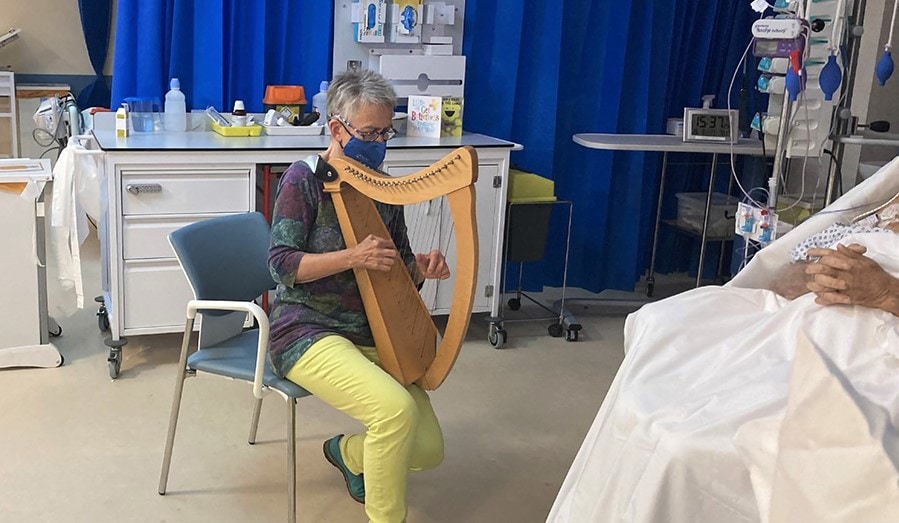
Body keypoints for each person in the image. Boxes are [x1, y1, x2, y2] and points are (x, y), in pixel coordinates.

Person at [547, 195, 899, 522]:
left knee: (687, 447)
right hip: (791, 322)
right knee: (658, 353)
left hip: (866, 349)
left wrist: (884, 291)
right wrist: (820, 273)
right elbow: (785, 273)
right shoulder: (880, 208)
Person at [267, 70, 451, 523]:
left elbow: (397, 268)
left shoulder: (385, 190)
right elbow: (281, 265)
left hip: (373, 327)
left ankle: (348, 453)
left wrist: (420, 269)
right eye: (369, 133)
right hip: (306, 328)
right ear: (337, 129)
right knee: (394, 413)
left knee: (427, 449)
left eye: (385, 132)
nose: (379, 142)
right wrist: (352, 256)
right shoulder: (303, 180)